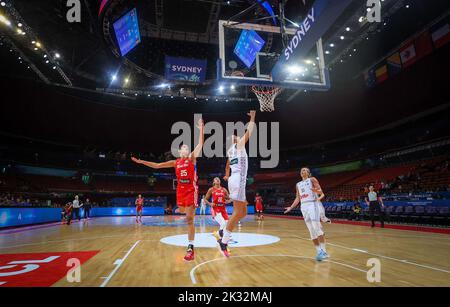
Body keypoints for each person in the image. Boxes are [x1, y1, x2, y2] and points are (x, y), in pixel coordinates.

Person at [131, 118, 204, 261]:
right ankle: (184, 213)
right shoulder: (175, 162)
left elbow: (201, 143)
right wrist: (141, 162)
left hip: (191, 190)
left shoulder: (192, 158)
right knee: (183, 213)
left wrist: (202, 129)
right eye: (183, 148)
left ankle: (190, 247)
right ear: (179, 151)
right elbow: (157, 166)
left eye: (187, 148)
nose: (185, 149)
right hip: (180, 191)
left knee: (189, 220)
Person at [217, 111, 256, 258]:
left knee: (243, 212)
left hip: (235, 179)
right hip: (238, 180)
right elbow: (249, 132)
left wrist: (226, 174)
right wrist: (252, 118)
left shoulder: (230, 151)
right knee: (237, 213)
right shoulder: (238, 145)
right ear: (236, 140)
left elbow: (227, 165)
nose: (239, 137)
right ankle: (224, 240)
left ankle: (226, 232)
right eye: (237, 137)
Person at [284, 167, 329, 261]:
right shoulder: (298, 184)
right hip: (303, 206)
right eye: (301, 171)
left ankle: (324, 251)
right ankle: (319, 251)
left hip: (312, 204)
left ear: (308, 173)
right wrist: (291, 207)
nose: (302, 171)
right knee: (311, 231)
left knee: (316, 227)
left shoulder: (312, 179)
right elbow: (298, 198)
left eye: (305, 170)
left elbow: (321, 192)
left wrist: (316, 191)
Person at [204, 177, 232, 241]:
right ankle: (221, 237)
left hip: (223, 209)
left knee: (227, 223)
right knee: (223, 223)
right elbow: (205, 199)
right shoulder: (211, 189)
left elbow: (229, 198)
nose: (218, 179)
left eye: (218, 179)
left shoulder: (224, 189)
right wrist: (210, 204)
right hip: (215, 209)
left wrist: (229, 201)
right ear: (214, 182)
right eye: (216, 179)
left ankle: (219, 235)